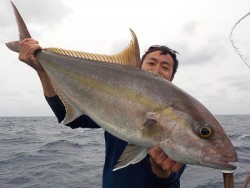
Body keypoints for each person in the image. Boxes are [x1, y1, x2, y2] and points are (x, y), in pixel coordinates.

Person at [19, 38, 186, 188]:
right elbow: (67, 117)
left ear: (171, 78)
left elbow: (171, 177)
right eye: (151, 63)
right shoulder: (112, 100)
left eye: (165, 67)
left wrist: (162, 171)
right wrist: (42, 71)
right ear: (138, 68)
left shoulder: (182, 116)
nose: (157, 69)